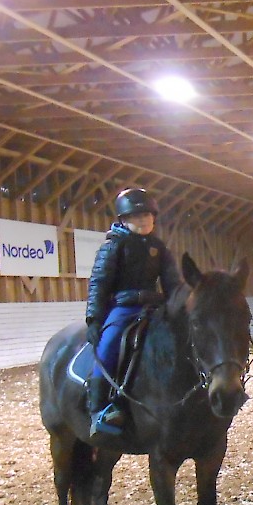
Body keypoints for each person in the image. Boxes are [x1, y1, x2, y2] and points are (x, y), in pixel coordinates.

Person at [84, 188, 181, 438]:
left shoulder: (159, 248)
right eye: (137, 216)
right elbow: (99, 282)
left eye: (148, 215)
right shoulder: (113, 246)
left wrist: (180, 307)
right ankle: (98, 410)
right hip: (123, 308)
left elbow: (172, 282)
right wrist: (94, 319)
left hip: (155, 308)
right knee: (108, 348)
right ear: (124, 220)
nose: (144, 220)